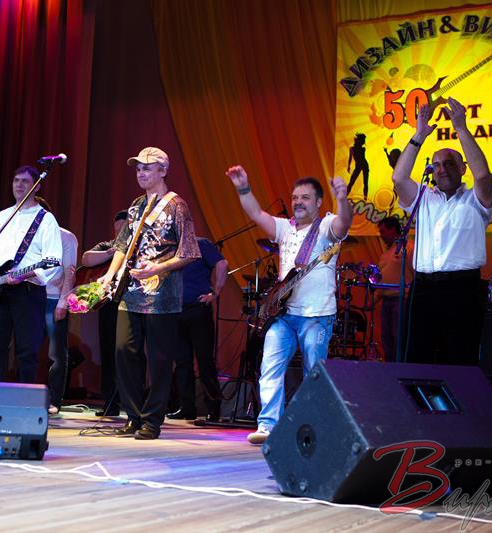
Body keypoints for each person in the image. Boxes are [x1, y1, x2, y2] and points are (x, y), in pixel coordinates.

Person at [226, 166, 352, 445]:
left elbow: (344, 223)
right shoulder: (284, 227)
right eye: (295, 197)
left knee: (313, 372)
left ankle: (313, 426)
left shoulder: (326, 225)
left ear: (319, 202)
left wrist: (342, 199)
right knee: (270, 367)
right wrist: (243, 187)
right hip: (283, 314)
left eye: (305, 197)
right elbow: (256, 214)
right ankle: (268, 426)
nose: (298, 202)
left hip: (317, 314)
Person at [98, 147, 200, 440]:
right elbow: (122, 245)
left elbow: (189, 252)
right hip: (130, 292)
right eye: (138, 168)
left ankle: (152, 420)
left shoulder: (177, 205)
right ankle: (133, 416)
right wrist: (109, 275)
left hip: (162, 297)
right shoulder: (136, 205)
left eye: (147, 167)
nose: (141, 173)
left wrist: (158, 268)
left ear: (163, 171)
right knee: (124, 351)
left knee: (159, 360)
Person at [391, 98, 492, 366]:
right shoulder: (424, 197)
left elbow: (483, 176)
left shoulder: (475, 199)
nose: (442, 169)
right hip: (423, 288)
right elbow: (399, 178)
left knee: (460, 362)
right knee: (417, 361)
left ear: (462, 169)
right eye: (436, 165)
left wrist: (460, 128)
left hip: (462, 288)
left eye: (449, 164)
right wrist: (419, 135)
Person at [0, 165, 62, 385]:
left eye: (25, 181)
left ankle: (25, 398)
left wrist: (24, 275)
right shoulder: (3, 216)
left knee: (26, 350)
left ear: (36, 187)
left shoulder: (45, 219)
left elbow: (53, 260)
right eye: (16, 180)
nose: (19, 185)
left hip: (27, 290)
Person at [167, 237, 227, 421]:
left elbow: (222, 264)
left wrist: (215, 293)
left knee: (204, 360)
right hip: (176, 310)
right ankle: (187, 408)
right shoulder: (170, 246)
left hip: (197, 309)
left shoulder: (200, 243)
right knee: (182, 362)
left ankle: (213, 410)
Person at [80, 210, 128, 417]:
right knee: (107, 354)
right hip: (108, 306)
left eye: (124, 228)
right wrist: (111, 252)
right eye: (118, 228)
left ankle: (130, 403)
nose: (120, 231)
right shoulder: (107, 246)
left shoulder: (137, 247)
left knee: (126, 353)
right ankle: (110, 404)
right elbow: (86, 259)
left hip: (129, 304)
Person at [35, 197, 78, 415]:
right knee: (27, 349)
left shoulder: (65, 237)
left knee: (56, 353)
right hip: (31, 299)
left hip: (53, 299)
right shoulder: (28, 239)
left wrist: (63, 301)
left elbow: (70, 272)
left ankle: (54, 399)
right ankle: (26, 395)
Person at [375, 217, 413, 362]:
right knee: (387, 338)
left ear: (393, 229)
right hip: (386, 301)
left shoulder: (409, 249)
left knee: (399, 337)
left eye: (383, 232)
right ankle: (389, 367)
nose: (381, 235)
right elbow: (382, 279)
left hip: (401, 300)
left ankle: (400, 367)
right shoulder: (386, 254)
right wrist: (374, 299)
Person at [347, 133, 370, 200]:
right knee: (352, 181)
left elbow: (351, 158)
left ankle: (365, 198)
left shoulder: (362, 149)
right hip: (360, 165)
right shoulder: (353, 149)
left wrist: (349, 166)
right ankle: (345, 195)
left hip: (364, 165)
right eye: (363, 140)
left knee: (365, 182)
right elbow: (350, 158)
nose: (364, 142)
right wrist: (348, 166)